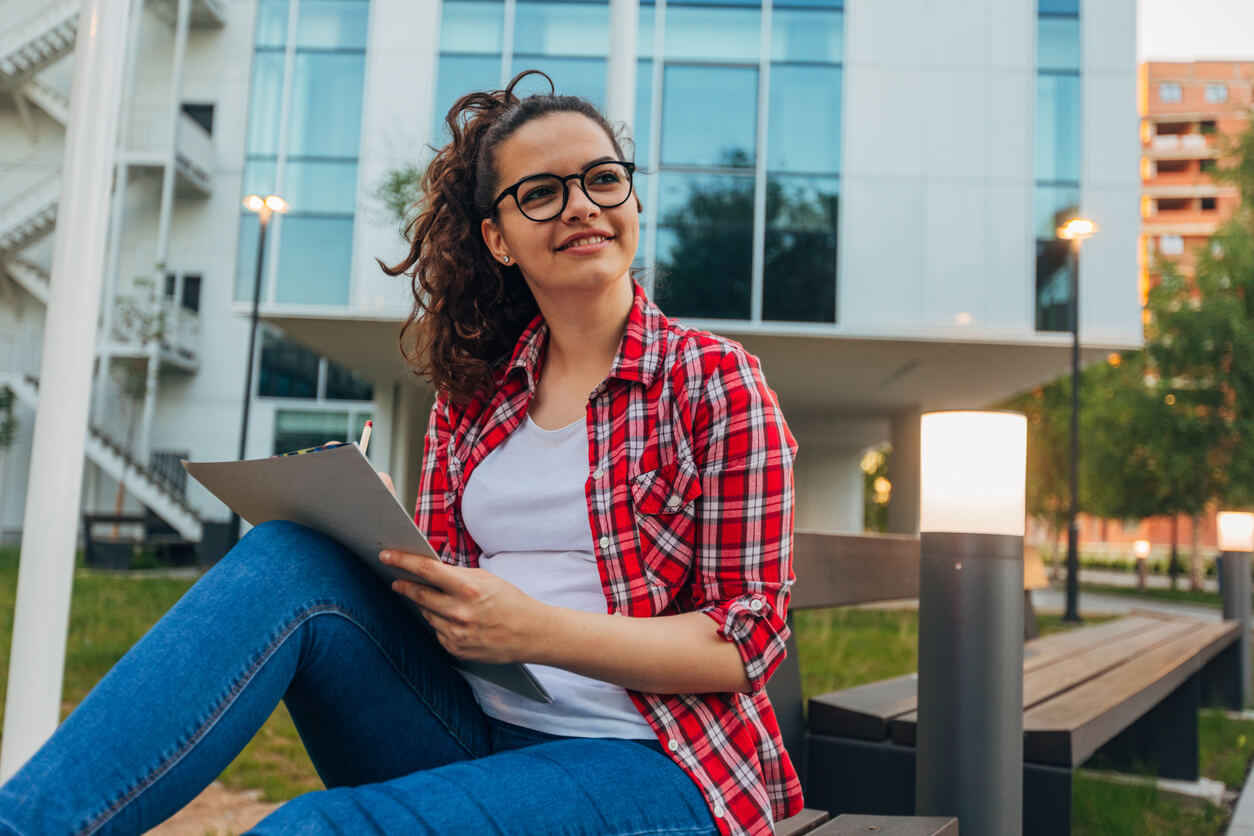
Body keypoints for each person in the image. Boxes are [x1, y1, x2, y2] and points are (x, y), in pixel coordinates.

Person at [0, 71, 801, 836]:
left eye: (603, 179)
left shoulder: (714, 382)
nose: (582, 206)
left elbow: (747, 641)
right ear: (498, 238)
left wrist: (534, 632)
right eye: (542, 192)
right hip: (470, 728)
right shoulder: (474, 400)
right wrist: (373, 537)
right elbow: (443, 606)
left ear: (631, 198)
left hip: (653, 761)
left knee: (308, 828)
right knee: (289, 555)